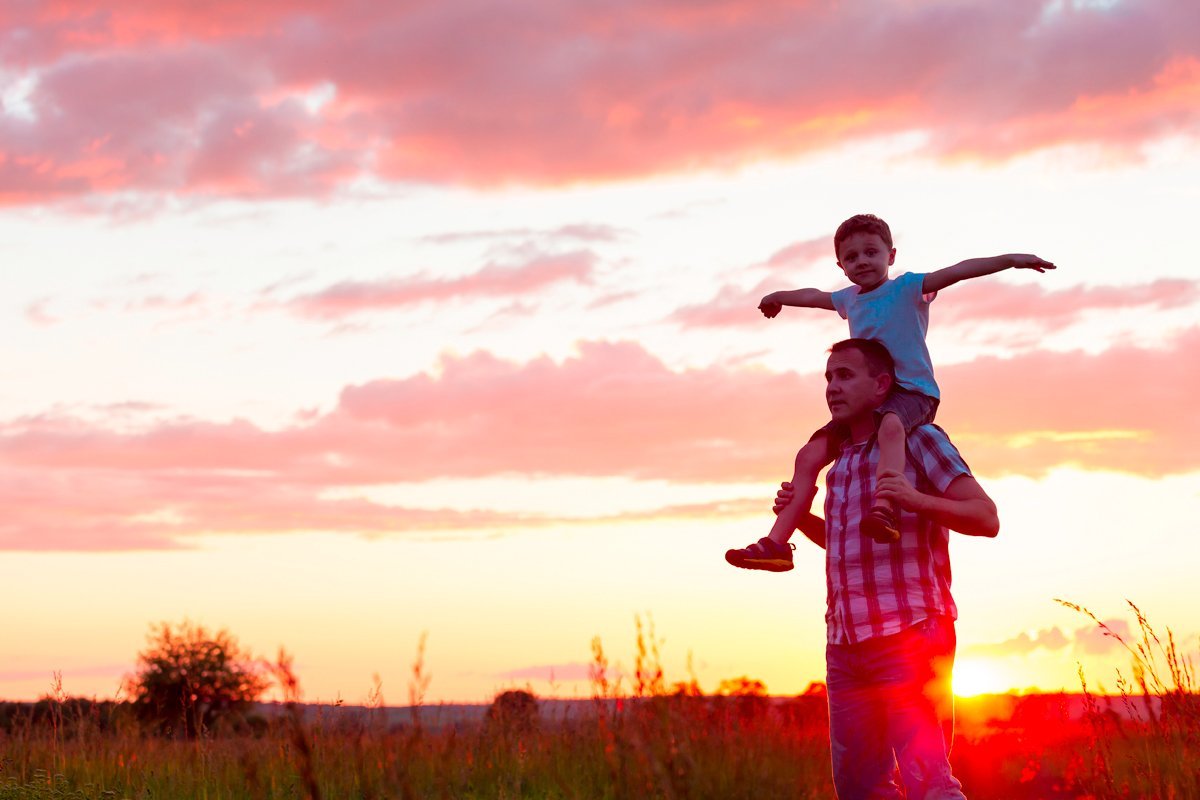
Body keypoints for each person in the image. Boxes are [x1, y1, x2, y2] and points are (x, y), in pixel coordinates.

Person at [726, 214, 1051, 570]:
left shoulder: (908, 288)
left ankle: (885, 509)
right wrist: (778, 297)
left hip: (913, 392)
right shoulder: (849, 299)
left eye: (871, 252)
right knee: (809, 454)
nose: (862, 261)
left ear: (891, 256)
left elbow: (960, 270)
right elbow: (813, 296)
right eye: (852, 257)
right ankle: (776, 543)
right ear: (841, 265)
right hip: (868, 401)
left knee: (892, 427)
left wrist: (1012, 261)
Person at [777, 338, 998, 799]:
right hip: (845, 646)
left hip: (912, 637)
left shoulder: (920, 440)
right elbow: (845, 543)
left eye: (845, 376)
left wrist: (912, 499)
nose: (833, 388)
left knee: (929, 783)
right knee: (861, 789)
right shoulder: (838, 464)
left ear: (881, 386)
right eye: (829, 378)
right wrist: (802, 520)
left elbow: (985, 517)